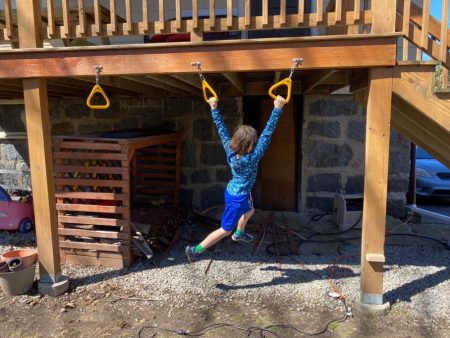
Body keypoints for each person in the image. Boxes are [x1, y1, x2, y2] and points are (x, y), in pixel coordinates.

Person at [185, 95, 286, 262]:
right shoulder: (252, 158)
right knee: (225, 229)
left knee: (250, 210)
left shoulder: (230, 149)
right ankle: (195, 251)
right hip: (237, 198)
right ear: (248, 146)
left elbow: (221, 129)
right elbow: (267, 134)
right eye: (253, 143)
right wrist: (277, 109)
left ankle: (239, 233)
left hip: (235, 191)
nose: (255, 144)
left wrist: (213, 107)